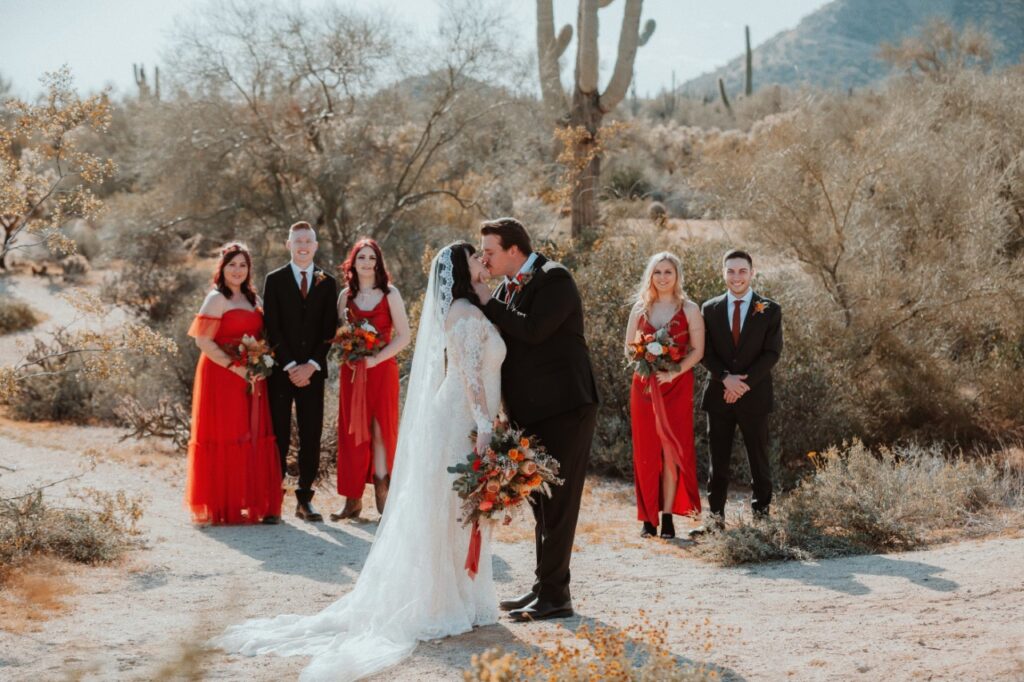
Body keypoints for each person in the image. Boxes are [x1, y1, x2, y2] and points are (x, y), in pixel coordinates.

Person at [216, 242, 503, 682]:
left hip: (472, 415)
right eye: (474, 257)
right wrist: (485, 422)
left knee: (461, 507)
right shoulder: (462, 311)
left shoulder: (474, 304)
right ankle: (440, 597)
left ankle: (464, 592)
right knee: (450, 507)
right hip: (464, 418)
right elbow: (467, 375)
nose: (482, 260)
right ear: (459, 270)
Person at [472, 217, 599, 623]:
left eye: (490, 251)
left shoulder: (554, 278)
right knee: (542, 506)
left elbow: (535, 331)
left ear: (514, 250)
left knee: (559, 505)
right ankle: (543, 587)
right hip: (534, 412)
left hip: (566, 408)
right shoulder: (511, 286)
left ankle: (557, 596)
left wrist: (487, 301)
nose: (485, 258)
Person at [185, 242, 282, 525]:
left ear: (249, 269)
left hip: (251, 373)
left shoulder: (254, 299)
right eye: (232, 265)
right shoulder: (216, 298)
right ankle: (222, 503)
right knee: (226, 433)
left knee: (248, 434)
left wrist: (259, 363)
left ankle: (250, 500)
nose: (237, 270)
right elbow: (203, 340)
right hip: (221, 374)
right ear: (222, 268)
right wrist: (235, 368)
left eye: (243, 265)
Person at [691, 249, 783, 537]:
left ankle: (762, 521)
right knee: (717, 463)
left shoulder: (770, 309)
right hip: (719, 397)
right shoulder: (710, 308)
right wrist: (725, 379)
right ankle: (715, 522)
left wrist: (742, 385)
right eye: (731, 271)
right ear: (723, 274)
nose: (736, 277)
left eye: (742, 271)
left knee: (759, 460)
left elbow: (771, 353)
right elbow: (704, 352)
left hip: (754, 396)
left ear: (752, 273)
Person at [262, 222, 339, 522]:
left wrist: (312, 365)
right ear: (289, 245)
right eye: (298, 241)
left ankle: (305, 499)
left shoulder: (327, 282)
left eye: (308, 241)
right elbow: (272, 327)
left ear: (316, 246)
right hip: (283, 371)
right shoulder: (275, 280)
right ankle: (273, 500)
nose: (303, 245)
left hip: (314, 372)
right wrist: (292, 364)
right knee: (278, 435)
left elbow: (329, 330)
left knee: (311, 435)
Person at [624, 252, 704, 539]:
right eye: (657, 272)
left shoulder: (690, 309)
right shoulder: (639, 309)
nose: (662, 277)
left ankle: (668, 515)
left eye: (668, 271)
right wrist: (645, 360)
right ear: (651, 275)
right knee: (646, 452)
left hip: (677, 385)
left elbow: (698, 350)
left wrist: (674, 371)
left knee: (673, 450)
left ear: (677, 275)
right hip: (644, 386)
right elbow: (629, 348)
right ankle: (648, 519)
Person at [331, 238, 410, 520]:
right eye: (361, 258)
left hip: (381, 369)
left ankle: (382, 493)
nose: (366, 263)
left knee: (379, 430)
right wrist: (349, 353)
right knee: (352, 431)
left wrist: (376, 358)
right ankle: (352, 500)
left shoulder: (390, 294)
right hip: (352, 372)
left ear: (378, 263)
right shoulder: (344, 296)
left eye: (371, 258)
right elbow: (341, 334)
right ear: (353, 262)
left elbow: (404, 336)